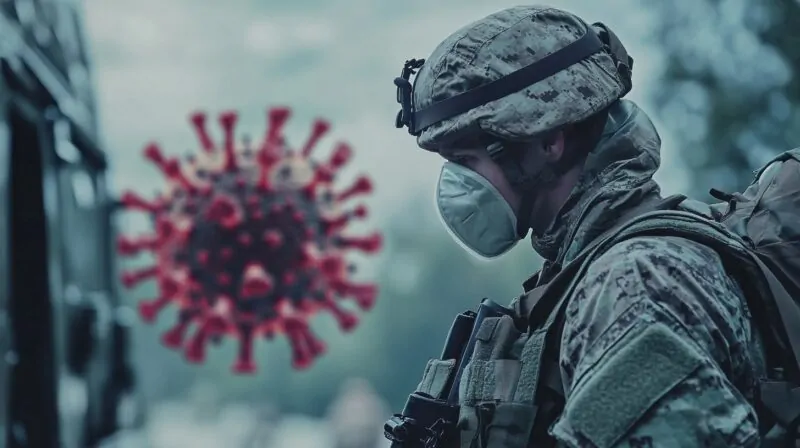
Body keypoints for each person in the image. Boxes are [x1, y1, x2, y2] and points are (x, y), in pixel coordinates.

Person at [391, 5, 767, 447]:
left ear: (547, 139)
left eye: (466, 161)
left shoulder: (634, 283)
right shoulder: (580, 275)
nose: (457, 186)